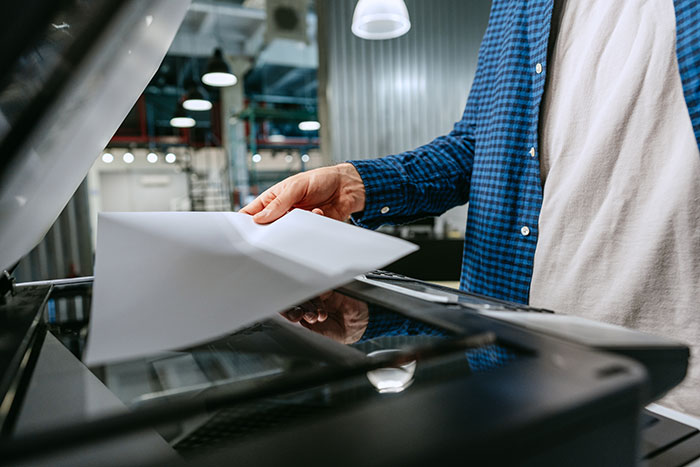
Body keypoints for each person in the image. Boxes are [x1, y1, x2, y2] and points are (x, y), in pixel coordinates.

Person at [242, 0, 700, 417]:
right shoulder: (515, 6)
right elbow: (475, 147)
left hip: (681, 393)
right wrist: (353, 185)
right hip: (524, 376)